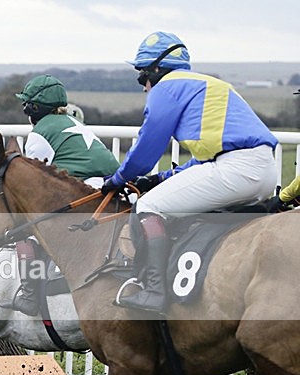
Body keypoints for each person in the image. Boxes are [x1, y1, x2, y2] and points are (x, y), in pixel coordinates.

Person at [101, 31, 278, 313]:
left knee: (148, 206)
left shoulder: (165, 89)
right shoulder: (210, 84)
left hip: (237, 170)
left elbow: (147, 148)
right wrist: (160, 178)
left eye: (141, 76)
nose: (143, 87)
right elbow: (207, 158)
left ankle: (153, 290)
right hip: (265, 170)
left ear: (156, 70)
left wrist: (118, 178)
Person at [0, 74, 120, 316]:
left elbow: (35, 185)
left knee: (26, 230)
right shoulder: (72, 122)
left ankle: (29, 295)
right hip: (114, 188)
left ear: (33, 108)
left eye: (26, 105)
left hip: (86, 192)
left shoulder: (40, 133)